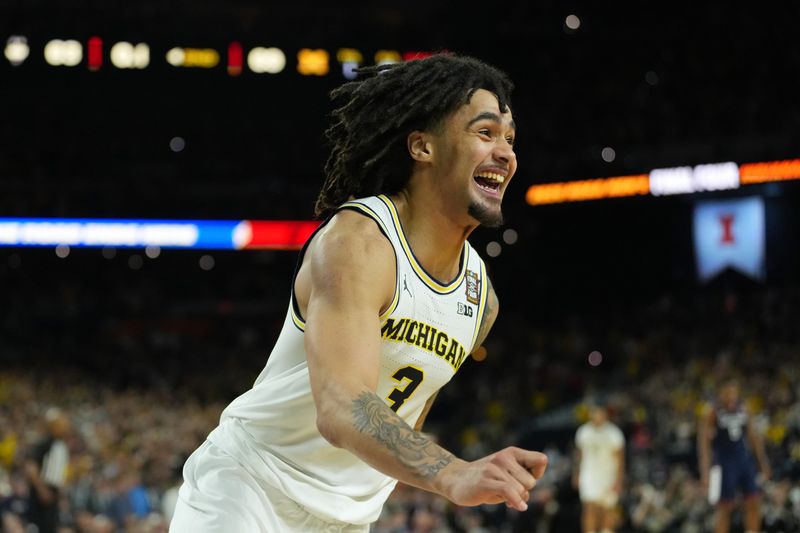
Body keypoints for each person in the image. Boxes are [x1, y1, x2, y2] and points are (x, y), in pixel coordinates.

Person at [170, 54, 548, 532]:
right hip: (250, 490)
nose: (506, 153)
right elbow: (344, 405)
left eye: (510, 139)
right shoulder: (358, 241)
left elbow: (398, 421)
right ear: (422, 146)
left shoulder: (480, 303)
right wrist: (453, 472)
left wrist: (462, 473)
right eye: (485, 132)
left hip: (348, 521)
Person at [698, 379, 771, 533]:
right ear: (720, 394)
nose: (731, 396)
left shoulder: (744, 408)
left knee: (753, 501)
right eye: (727, 393)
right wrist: (705, 472)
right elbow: (704, 445)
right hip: (723, 464)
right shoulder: (712, 411)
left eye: (734, 392)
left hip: (743, 461)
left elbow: (753, 438)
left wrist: (763, 463)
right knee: (724, 508)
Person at [573, 403, 625, 533]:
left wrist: (619, 480)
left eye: (599, 412)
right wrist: (576, 473)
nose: (597, 415)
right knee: (589, 508)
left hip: (608, 475)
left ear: (605, 414)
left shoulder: (614, 433)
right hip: (589, 475)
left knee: (607, 510)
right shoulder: (583, 432)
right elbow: (578, 455)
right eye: (594, 412)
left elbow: (621, 459)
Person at [24, 407, 71, 533]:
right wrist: (42, 489)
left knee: (52, 527)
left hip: (52, 492)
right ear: (53, 426)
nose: (66, 427)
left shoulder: (60, 444)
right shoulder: (45, 442)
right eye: (62, 424)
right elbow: (31, 466)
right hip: (43, 491)